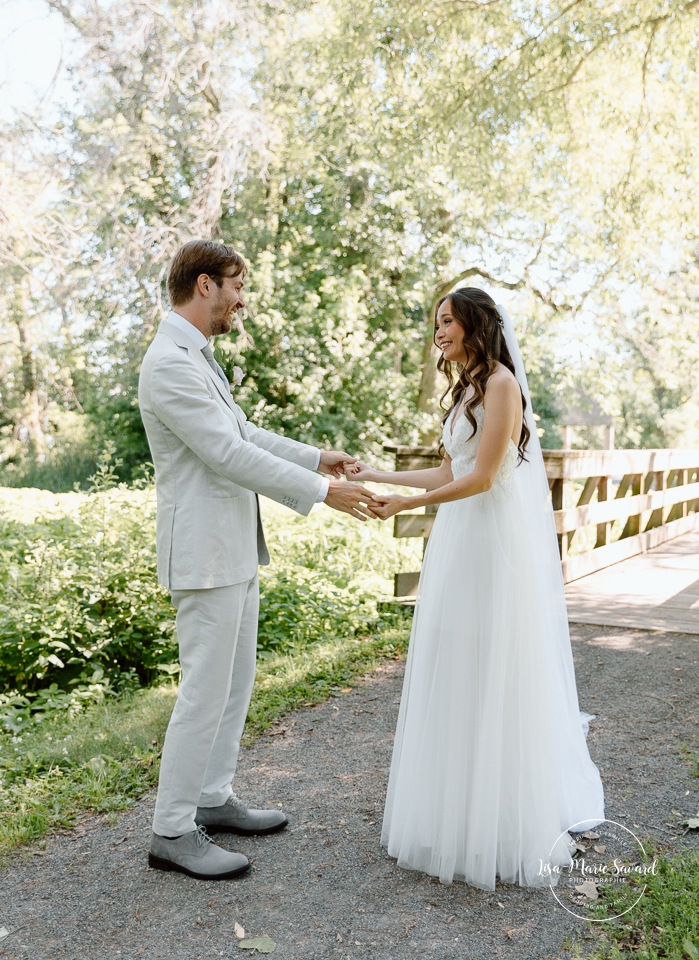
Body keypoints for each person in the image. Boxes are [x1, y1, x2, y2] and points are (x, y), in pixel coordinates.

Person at [348, 288, 604, 889]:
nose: (438, 330)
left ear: (474, 325)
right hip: (457, 545)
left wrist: (407, 503)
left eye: (447, 320)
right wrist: (375, 473)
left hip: (492, 545)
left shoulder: (502, 386)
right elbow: (448, 470)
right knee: (456, 664)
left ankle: (504, 822)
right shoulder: (464, 388)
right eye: (435, 321)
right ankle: (456, 811)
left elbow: (485, 478)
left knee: (496, 667)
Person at [138, 239, 377, 881]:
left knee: (234, 685)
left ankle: (212, 799)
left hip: (234, 551)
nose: (241, 301)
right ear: (206, 284)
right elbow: (225, 454)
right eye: (236, 287)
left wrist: (315, 457)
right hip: (204, 555)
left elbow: (243, 431)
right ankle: (171, 830)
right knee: (203, 692)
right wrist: (326, 492)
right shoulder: (168, 363)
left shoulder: (197, 356)